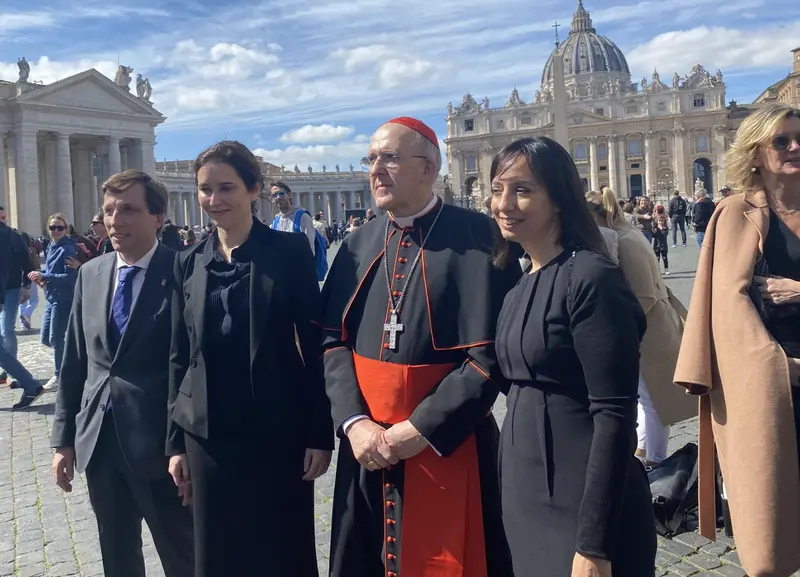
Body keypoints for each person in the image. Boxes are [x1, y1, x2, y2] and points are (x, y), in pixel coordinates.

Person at [321, 117, 520, 577]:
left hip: (449, 443)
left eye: (389, 158)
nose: (375, 170)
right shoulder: (356, 245)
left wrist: (418, 429)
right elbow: (332, 341)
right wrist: (355, 425)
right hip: (367, 449)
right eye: (370, 159)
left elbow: (492, 355)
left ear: (429, 168)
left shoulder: (480, 239)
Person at [167, 141, 333, 577]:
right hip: (207, 434)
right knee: (218, 550)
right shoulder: (187, 261)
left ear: (254, 189)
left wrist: (319, 432)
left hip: (277, 429)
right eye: (205, 189)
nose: (213, 200)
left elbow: (315, 347)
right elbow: (179, 357)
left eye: (226, 187)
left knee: (282, 546)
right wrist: (174, 443)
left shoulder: (289, 252)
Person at [493, 137, 655, 577]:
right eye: (497, 189)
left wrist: (594, 543)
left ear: (560, 198)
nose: (504, 203)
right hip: (526, 493)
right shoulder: (520, 284)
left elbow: (615, 413)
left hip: (581, 499)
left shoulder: (592, 278)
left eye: (522, 190)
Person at [676, 103, 800, 576]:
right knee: (770, 511)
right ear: (755, 153)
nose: (794, 147)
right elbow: (726, 305)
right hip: (766, 385)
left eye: (799, 138)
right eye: (781, 140)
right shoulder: (733, 213)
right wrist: (775, 366)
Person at [50, 170, 194, 577]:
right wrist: (63, 440)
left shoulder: (185, 272)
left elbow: (193, 370)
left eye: (129, 209)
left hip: (163, 448)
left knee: (182, 554)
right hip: (100, 443)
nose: (115, 220)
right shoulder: (91, 274)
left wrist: (182, 443)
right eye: (109, 210)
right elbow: (75, 362)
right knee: (117, 555)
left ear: (158, 218)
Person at [587, 188, 695, 465]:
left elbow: (643, 294)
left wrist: (624, 332)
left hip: (649, 331)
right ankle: (645, 451)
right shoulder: (627, 235)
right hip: (654, 325)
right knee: (647, 397)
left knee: (653, 400)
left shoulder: (624, 242)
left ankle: (655, 458)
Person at [28, 213, 78, 393]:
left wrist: (45, 276)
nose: (56, 231)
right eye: (53, 228)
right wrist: (38, 274)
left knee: (56, 338)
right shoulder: (50, 246)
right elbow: (50, 270)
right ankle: (72, 360)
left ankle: (60, 375)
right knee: (45, 338)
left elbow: (70, 277)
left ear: (66, 229)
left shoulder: (67, 249)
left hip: (63, 298)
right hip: (50, 297)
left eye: (60, 228)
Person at [269, 180, 317, 255]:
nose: (278, 197)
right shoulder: (275, 223)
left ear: (289, 195)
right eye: (274, 195)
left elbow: (310, 252)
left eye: (281, 193)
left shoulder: (303, 217)